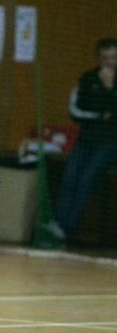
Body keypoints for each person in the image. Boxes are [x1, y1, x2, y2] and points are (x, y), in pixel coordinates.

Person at [47, 38, 117, 241]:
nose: (109, 62)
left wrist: (109, 88)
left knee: (86, 180)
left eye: (113, 58)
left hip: (110, 142)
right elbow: (77, 111)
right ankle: (57, 223)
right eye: (105, 58)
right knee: (70, 178)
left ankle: (66, 228)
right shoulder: (88, 78)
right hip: (87, 138)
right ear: (99, 59)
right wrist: (100, 114)